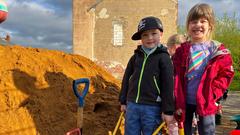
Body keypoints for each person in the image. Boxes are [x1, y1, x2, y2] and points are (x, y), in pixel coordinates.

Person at [172, 3, 235, 135]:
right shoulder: (182, 51)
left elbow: (226, 74)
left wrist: (213, 93)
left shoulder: (218, 51)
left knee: (207, 131)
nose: (198, 25)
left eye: (202, 21)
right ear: (188, 25)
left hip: (206, 101)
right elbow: (174, 74)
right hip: (184, 102)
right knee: (184, 131)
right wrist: (176, 99)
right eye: (193, 21)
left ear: (210, 25)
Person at [119, 16, 175, 135]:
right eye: (145, 35)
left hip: (152, 107)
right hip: (132, 105)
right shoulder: (135, 57)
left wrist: (168, 111)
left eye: (153, 33)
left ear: (161, 34)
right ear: (140, 38)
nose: (149, 38)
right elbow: (126, 79)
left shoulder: (164, 58)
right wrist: (123, 101)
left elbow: (168, 85)